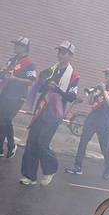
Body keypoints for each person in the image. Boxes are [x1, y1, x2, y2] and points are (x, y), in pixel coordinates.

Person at [20, 41, 79, 186]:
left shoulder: (73, 75)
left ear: (70, 55)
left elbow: (71, 97)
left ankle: (50, 169)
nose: (60, 55)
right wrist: (42, 82)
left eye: (63, 52)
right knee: (31, 141)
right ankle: (29, 176)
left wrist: (57, 89)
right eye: (59, 51)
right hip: (41, 110)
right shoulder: (50, 70)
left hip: (54, 114)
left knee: (42, 142)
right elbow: (39, 88)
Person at [65, 66, 109, 179]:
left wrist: (104, 91)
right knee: (83, 142)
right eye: (106, 74)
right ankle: (78, 167)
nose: (107, 77)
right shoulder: (101, 88)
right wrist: (92, 93)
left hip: (104, 122)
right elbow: (91, 102)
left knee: (104, 147)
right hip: (92, 119)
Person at [0, 37, 37, 158]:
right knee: (2, 120)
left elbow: (31, 81)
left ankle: (11, 146)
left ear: (24, 47)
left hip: (17, 97)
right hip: (5, 93)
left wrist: (15, 79)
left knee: (5, 120)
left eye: (17, 45)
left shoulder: (30, 63)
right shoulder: (12, 60)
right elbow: (4, 72)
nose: (14, 47)